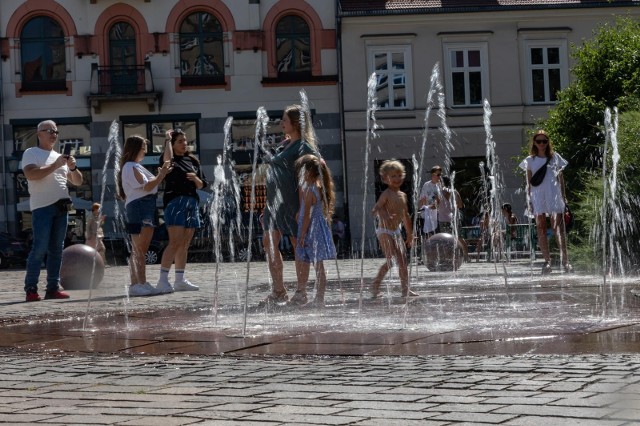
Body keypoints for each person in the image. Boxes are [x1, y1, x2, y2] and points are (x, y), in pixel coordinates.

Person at [259, 104, 318, 306]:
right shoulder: (285, 144)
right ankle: (278, 290)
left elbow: (310, 178)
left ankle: (301, 292)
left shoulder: (303, 147)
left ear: (295, 123)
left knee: (298, 244)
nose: (281, 123)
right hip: (274, 205)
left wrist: (304, 208)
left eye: (284, 119)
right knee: (269, 243)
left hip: (293, 203)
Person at [22, 120, 83, 302]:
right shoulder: (31, 153)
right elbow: (31, 174)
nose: (54, 134)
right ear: (39, 133)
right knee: (39, 249)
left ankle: (52, 288)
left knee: (57, 250)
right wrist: (56, 165)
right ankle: (31, 289)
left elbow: (78, 181)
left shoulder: (58, 156)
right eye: (49, 131)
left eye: (56, 131)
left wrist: (72, 167)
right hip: (42, 208)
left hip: (61, 207)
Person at [117, 135, 172, 297]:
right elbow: (147, 186)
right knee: (139, 248)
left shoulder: (134, 166)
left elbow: (147, 186)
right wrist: (161, 175)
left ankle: (141, 281)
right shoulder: (130, 166)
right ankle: (136, 283)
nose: (145, 152)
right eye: (143, 149)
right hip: (140, 206)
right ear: (135, 149)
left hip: (145, 205)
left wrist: (160, 175)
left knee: (141, 248)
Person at [156, 129, 208, 293]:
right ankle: (163, 280)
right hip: (175, 201)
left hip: (192, 201)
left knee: (184, 244)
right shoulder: (171, 159)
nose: (184, 143)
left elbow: (202, 185)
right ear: (172, 144)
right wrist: (166, 139)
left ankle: (180, 280)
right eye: (180, 141)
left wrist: (196, 179)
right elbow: (166, 161)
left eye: (185, 141)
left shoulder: (193, 161)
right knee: (175, 242)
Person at [519, 130, 573, 274]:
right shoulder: (529, 160)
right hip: (537, 196)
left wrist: (564, 197)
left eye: (544, 141)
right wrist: (529, 200)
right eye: (539, 141)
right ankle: (547, 261)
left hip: (554, 195)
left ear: (548, 142)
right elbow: (528, 182)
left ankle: (565, 261)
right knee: (541, 228)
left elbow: (560, 179)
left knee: (558, 229)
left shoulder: (555, 157)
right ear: (534, 143)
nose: (542, 144)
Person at [288, 154, 336, 308]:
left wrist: (301, 234)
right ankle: (319, 298)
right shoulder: (318, 188)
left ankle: (319, 300)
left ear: (308, 173)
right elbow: (306, 211)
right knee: (318, 265)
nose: (299, 174)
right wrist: (299, 214)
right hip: (317, 231)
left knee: (318, 266)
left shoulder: (310, 191)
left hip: (311, 233)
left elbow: (308, 217)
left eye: (301, 171)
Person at [371, 160, 418, 299]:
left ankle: (405, 289)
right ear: (385, 179)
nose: (397, 179)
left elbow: (405, 216)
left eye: (399, 175)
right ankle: (376, 284)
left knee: (403, 261)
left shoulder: (402, 195)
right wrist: (384, 215)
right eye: (393, 176)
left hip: (396, 231)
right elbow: (376, 209)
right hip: (384, 231)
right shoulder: (386, 194)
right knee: (391, 260)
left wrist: (410, 234)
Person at [418, 165, 442, 237]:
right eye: (438, 175)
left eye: (440, 174)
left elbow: (440, 201)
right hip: (427, 214)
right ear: (433, 174)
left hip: (437, 214)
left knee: (437, 236)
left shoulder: (440, 185)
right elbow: (422, 199)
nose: (439, 177)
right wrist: (427, 208)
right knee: (427, 235)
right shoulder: (427, 185)